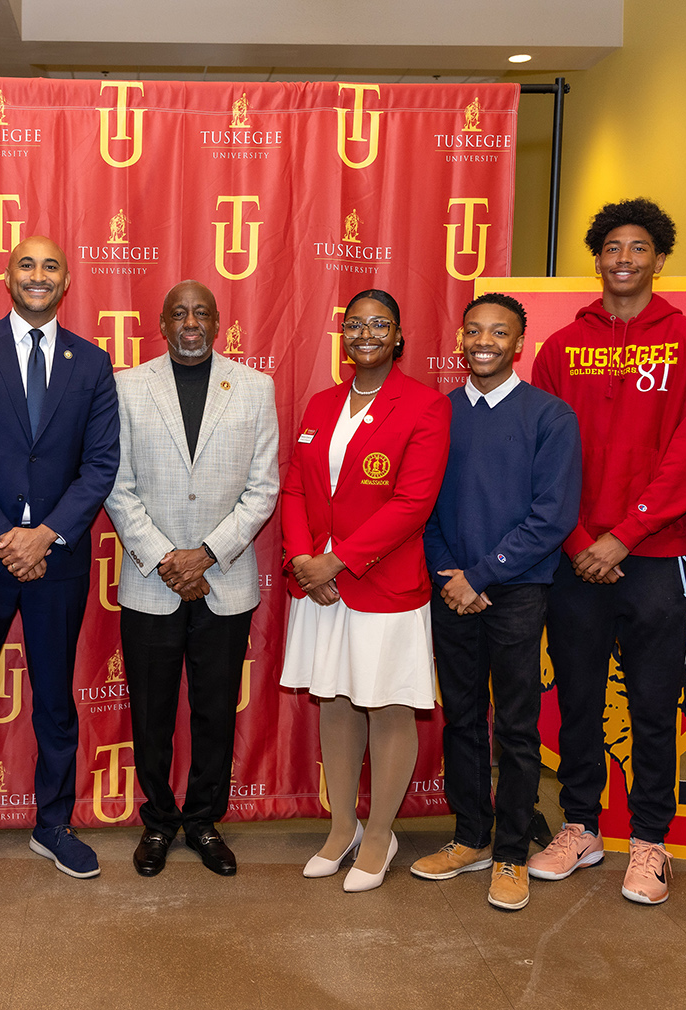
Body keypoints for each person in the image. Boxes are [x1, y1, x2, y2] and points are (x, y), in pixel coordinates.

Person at [528, 198, 686, 904]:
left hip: (654, 555)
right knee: (578, 700)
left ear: (660, 259)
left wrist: (623, 536)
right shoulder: (558, 348)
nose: (625, 258)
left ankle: (649, 842)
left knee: (651, 705)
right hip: (574, 556)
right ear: (599, 257)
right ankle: (580, 826)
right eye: (613, 246)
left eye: (639, 247)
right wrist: (582, 540)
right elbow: (542, 458)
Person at [0, 235, 120, 902]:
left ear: (67, 281)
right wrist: (6, 536)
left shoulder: (92, 364)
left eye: (51, 266)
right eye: (26, 265)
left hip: (57, 561)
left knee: (56, 702)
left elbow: (100, 466)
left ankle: (54, 824)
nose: (38, 276)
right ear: (6, 276)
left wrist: (47, 536)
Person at [105, 280, 279, 878]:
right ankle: (157, 821)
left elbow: (263, 490)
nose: (190, 322)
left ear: (219, 321)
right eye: (178, 312)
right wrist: (166, 557)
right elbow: (115, 484)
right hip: (151, 580)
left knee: (214, 711)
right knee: (150, 712)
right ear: (161, 321)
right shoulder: (127, 387)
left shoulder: (255, 388)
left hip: (223, 581)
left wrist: (204, 554)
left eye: (201, 312)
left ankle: (204, 821)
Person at [413, 293, 581, 911]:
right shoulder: (438, 413)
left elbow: (552, 516)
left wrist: (481, 576)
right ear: (461, 338)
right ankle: (470, 837)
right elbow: (420, 505)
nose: (485, 341)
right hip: (451, 588)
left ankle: (511, 851)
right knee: (460, 716)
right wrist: (450, 574)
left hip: (515, 592)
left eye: (499, 332)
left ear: (519, 342)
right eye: (475, 330)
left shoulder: (550, 417)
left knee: (513, 726)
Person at [281, 288, 451, 892]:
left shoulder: (426, 407)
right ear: (342, 335)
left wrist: (338, 563)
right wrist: (304, 559)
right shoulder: (321, 404)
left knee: (387, 705)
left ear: (399, 336)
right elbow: (296, 490)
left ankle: (380, 833)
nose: (367, 333)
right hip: (321, 585)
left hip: (384, 584)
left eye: (380, 324)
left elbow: (413, 503)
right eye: (355, 324)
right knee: (336, 700)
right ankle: (343, 825)